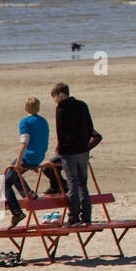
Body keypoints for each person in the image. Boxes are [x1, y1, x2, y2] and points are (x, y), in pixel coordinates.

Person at [51, 82, 94, 227]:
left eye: (55, 97)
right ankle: (86, 216)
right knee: (83, 184)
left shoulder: (62, 108)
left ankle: (74, 217)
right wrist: (85, 145)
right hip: (83, 150)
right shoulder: (82, 105)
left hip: (69, 152)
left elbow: (60, 132)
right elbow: (90, 127)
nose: (55, 100)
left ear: (61, 94)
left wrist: (62, 148)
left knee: (73, 184)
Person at [3, 97, 50, 227]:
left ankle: (17, 212)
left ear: (26, 108)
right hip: (39, 156)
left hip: (28, 157)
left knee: (5, 183)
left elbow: (24, 143)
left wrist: (18, 162)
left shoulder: (25, 122)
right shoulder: (44, 121)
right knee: (14, 176)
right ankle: (28, 192)